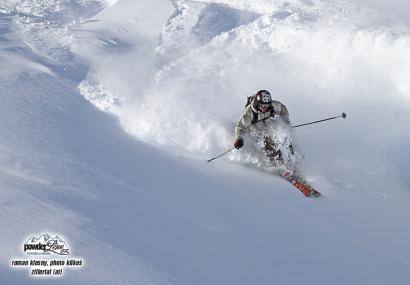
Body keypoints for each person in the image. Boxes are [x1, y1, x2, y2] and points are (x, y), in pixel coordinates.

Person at [233, 90, 292, 163]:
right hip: (257, 131)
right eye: (263, 105)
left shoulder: (273, 106)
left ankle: (292, 161)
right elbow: (240, 128)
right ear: (258, 103)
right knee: (268, 143)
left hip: (270, 126)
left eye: (267, 105)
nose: (265, 108)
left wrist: (285, 121)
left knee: (285, 138)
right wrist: (239, 139)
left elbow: (283, 109)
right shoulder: (249, 113)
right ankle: (278, 164)